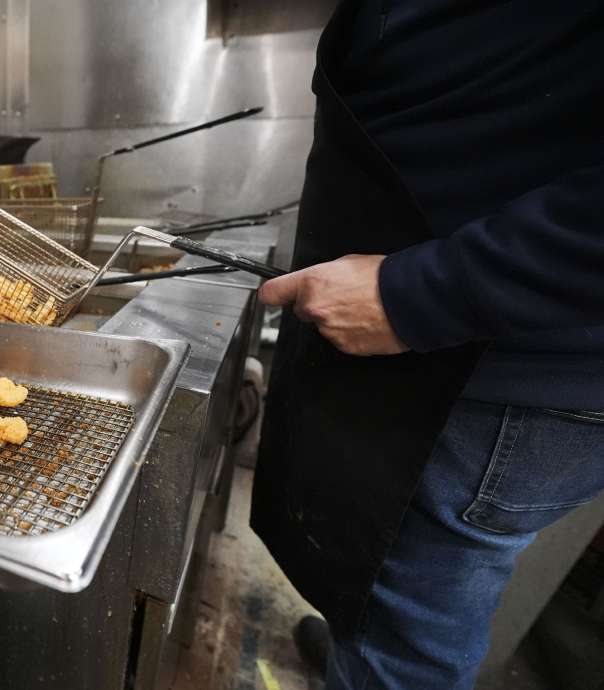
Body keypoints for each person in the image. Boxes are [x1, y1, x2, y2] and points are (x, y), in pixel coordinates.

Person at [251, 3, 604, 689]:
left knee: (410, 630)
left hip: (487, 374)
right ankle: (368, 635)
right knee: (383, 587)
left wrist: (413, 296)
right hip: (443, 354)